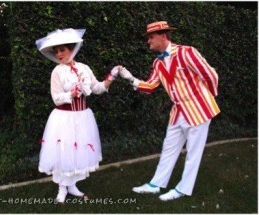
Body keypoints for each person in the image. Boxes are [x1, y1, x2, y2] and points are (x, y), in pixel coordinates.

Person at [119, 21, 220, 201]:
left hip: (199, 111)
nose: (148, 41)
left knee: (193, 153)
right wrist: (130, 78)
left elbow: (211, 75)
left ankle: (183, 189)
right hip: (178, 112)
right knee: (168, 148)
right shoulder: (158, 63)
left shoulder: (187, 52)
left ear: (163, 36)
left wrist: (208, 98)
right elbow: (150, 86)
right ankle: (155, 184)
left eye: (151, 37)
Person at [35, 28, 121, 204]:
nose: (59, 54)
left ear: (72, 49)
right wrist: (72, 94)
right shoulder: (57, 72)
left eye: (62, 50)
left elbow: (96, 88)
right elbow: (56, 99)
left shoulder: (84, 68)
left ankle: (72, 185)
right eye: (56, 51)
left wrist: (112, 76)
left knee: (77, 152)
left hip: (82, 118)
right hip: (64, 118)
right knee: (63, 151)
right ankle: (61, 188)